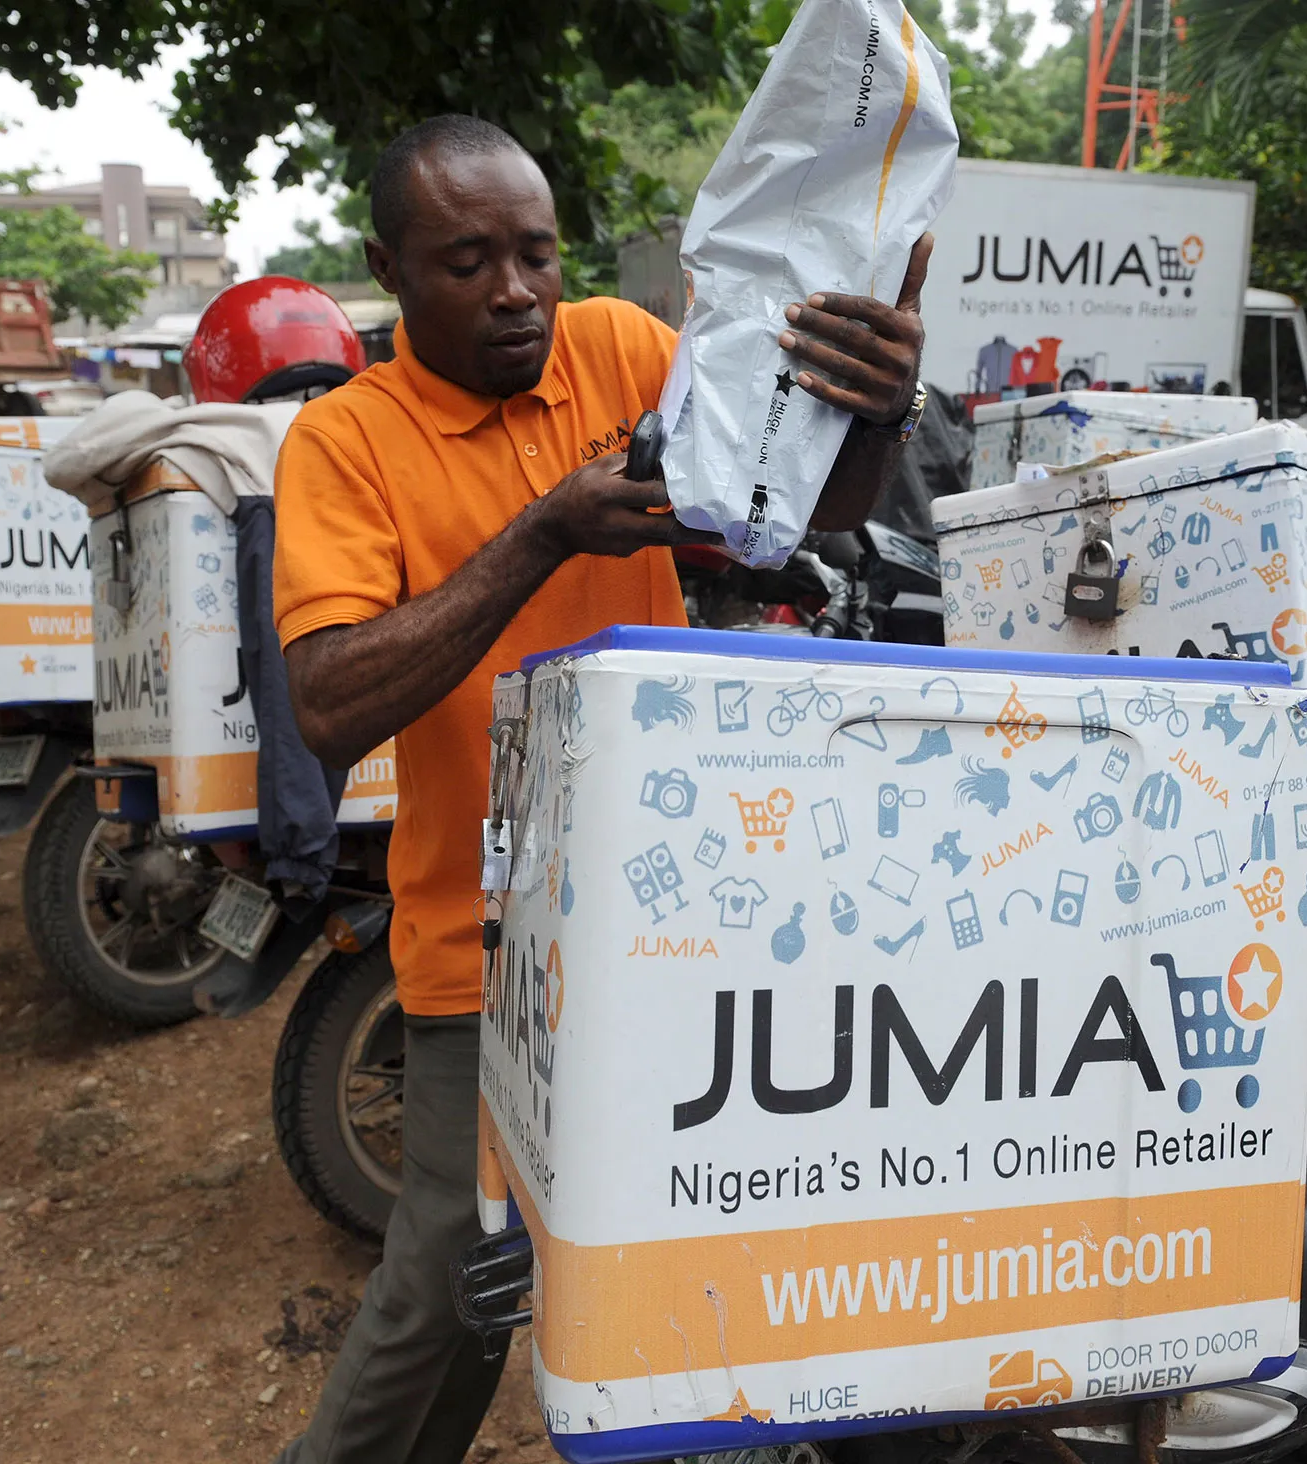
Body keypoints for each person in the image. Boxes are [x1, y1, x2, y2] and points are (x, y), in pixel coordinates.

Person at [270, 114, 931, 1464]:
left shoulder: (621, 350)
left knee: (705, 1240)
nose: (516, 290)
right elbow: (330, 702)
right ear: (389, 268)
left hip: (680, 929)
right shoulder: (344, 441)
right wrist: (540, 534)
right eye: (467, 260)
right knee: (454, 1259)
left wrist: (879, 404)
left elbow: (798, 514)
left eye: (535, 253)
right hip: (485, 948)